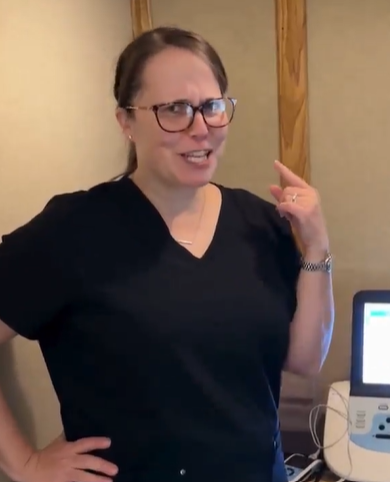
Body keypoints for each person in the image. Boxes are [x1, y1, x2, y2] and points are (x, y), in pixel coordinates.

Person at [0, 26, 334, 482]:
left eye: (212, 107)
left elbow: (304, 360)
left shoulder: (260, 223)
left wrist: (317, 246)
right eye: (174, 109)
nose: (201, 129)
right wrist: (24, 464)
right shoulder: (73, 230)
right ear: (126, 121)